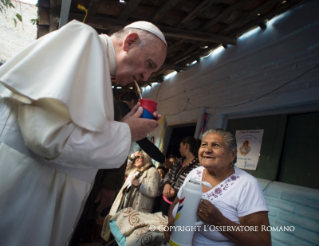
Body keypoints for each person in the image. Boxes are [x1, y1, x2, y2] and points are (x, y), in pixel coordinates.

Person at [0, 20, 167, 246]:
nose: (146, 76)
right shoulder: (83, 40)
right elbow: (48, 139)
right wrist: (126, 132)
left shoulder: (98, 72)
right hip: (26, 196)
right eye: (148, 64)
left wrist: (126, 126)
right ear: (129, 42)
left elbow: (80, 133)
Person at [165, 129, 271, 246]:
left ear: (232, 154)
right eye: (204, 144)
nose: (207, 150)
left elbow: (262, 241)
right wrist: (171, 222)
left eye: (216, 145)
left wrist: (219, 221)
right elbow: (175, 204)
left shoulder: (247, 184)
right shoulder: (195, 173)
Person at [161, 137, 201, 215]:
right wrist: (166, 184)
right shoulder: (179, 161)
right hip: (166, 200)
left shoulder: (197, 166)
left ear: (186, 146)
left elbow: (192, 185)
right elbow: (169, 174)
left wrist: (175, 191)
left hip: (180, 204)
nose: (179, 149)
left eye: (180, 146)